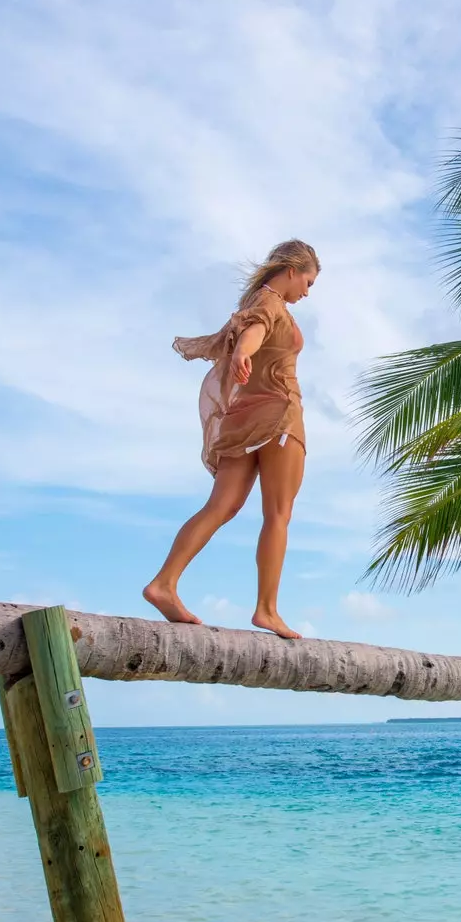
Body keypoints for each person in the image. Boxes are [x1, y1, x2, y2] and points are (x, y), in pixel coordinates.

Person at [142, 239, 319, 636]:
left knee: (221, 506)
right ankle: (267, 609)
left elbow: (251, 333)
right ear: (291, 271)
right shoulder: (271, 303)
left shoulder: (257, 303)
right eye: (307, 282)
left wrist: (243, 351)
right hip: (280, 417)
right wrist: (242, 353)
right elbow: (253, 335)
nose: (306, 292)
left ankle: (164, 583)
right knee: (278, 514)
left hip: (243, 419)